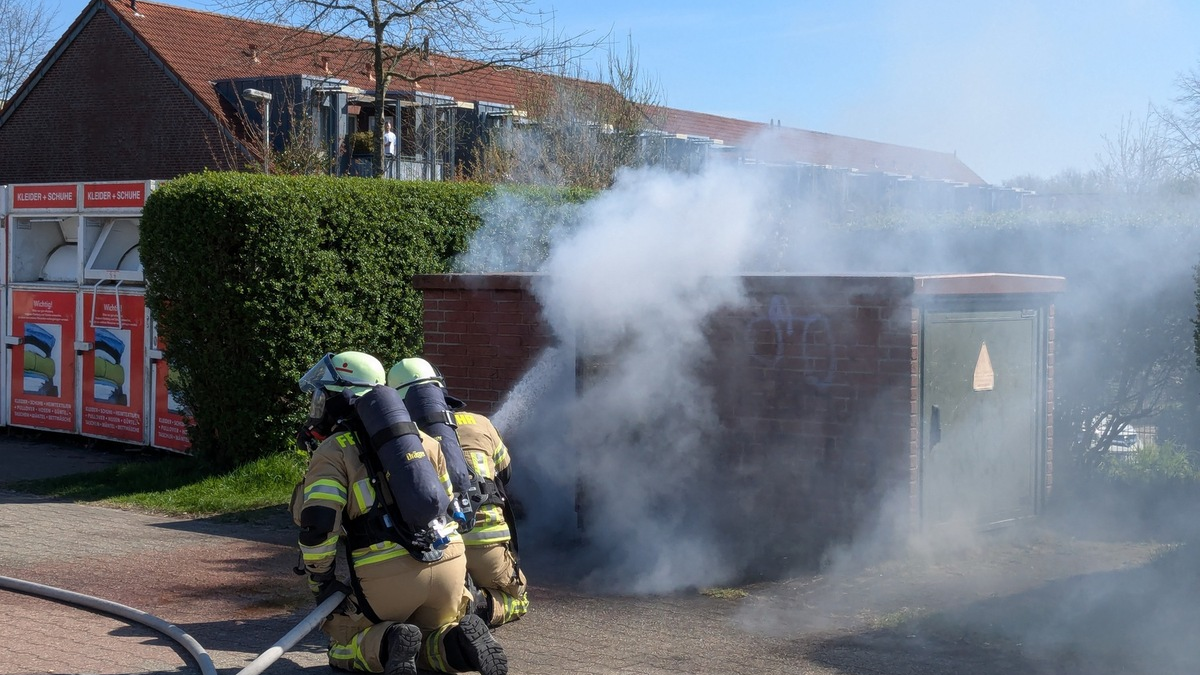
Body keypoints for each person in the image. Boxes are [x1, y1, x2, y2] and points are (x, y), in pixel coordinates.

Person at [293, 351, 508, 675]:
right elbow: (449, 505)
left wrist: (320, 580)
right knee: (429, 637)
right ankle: (458, 643)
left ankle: (389, 639)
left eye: (322, 396)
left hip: (384, 577)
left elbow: (319, 525)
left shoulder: (334, 450)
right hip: (448, 568)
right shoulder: (425, 440)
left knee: (344, 645)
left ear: (341, 398)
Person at [387, 357, 529, 629]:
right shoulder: (481, 422)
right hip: (488, 543)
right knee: (519, 596)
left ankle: (456, 604)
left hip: (437, 550)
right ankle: (483, 606)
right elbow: (505, 473)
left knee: (430, 608)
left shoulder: (401, 437)